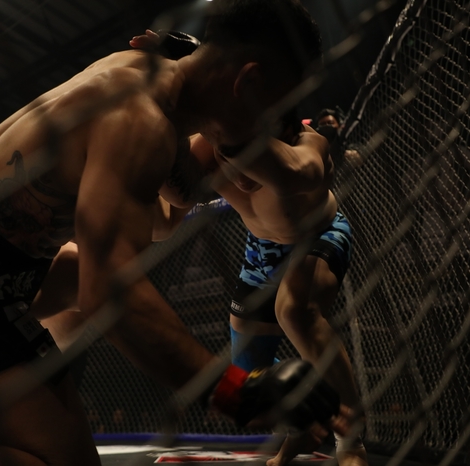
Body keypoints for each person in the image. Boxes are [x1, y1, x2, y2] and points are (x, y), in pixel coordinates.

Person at [0, 1, 345, 465]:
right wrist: (236, 393)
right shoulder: (140, 119)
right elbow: (112, 297)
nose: (268, 135)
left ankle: (27, 387)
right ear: (250, 83)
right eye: (274, 109)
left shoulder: (148, 78)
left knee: (77, 274)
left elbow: (171, 206)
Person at [129, 31, 368, 466]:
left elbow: (305, 169)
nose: (241, 175)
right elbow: (163, 225)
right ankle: (301, 431)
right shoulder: (203, 147)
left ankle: (351, 445)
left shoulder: (302, 141)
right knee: (246, 371)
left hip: (317, 236)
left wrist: (312, 144)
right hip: (261, 252)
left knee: (294, 311)